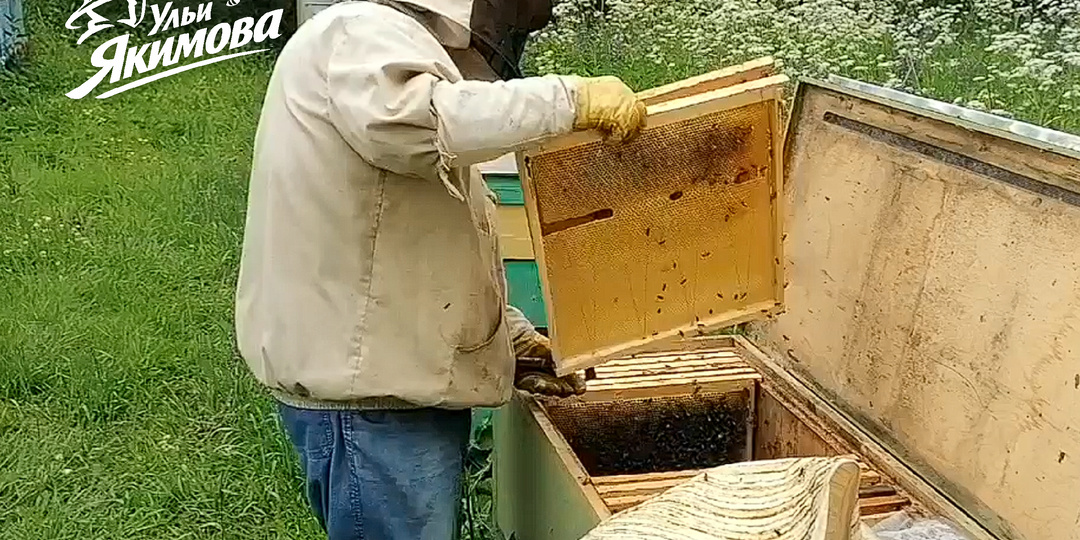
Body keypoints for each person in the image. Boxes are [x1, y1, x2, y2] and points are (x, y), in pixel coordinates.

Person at [233, 0, 647, 538]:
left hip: (387, 387)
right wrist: (571, 99)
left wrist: (512, 339)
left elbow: (426, 242)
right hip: (371, 408)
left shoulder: (380, 42)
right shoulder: (359, 32)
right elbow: (417, 118)